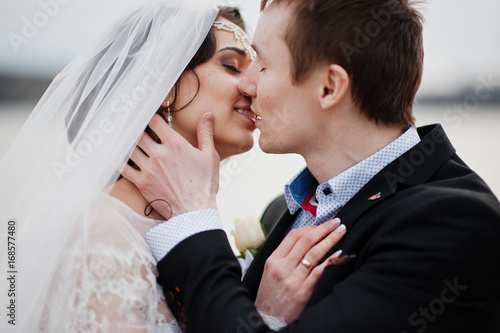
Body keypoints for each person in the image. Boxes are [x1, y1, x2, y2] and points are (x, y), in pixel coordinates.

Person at [124, 0, 500, 332]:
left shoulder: (451, 225)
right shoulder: (280, 212)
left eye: (264, 65)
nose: (248, 85)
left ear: (329, 87)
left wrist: (194, 219)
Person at [0, 0, 284, 331]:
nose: (253, 86)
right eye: (232, 66)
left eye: (256, 69)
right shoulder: (102, 234)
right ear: (164, 83)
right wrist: (267, 315)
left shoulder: (184, 228)